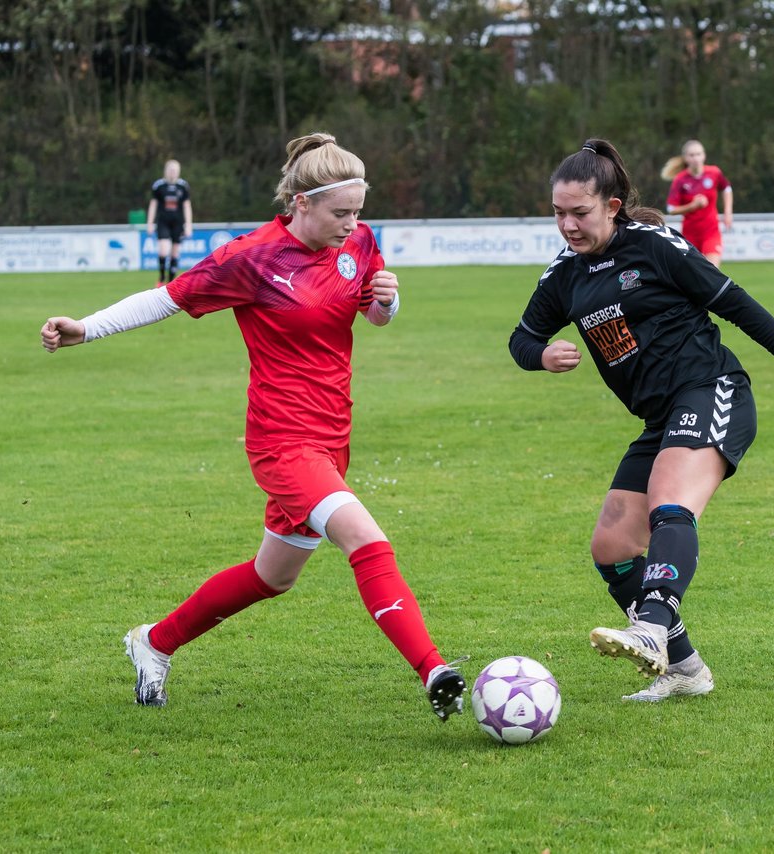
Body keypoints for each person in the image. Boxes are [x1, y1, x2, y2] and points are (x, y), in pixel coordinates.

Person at [42, 133, 466, 720]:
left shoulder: (360, 242)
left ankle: (154, 642)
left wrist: (388, 302)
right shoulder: (252, 258)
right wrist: (84, 328)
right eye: (340, 212)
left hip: (332, 435)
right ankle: (434, 670)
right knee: (366, 541)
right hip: (283, 442)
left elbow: (372, 316)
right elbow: (166, 299)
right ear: (301, 204)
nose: (353, 224)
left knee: (272, 577)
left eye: (358, 212)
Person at [509, 138, 774, 702]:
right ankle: (685, 668)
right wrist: (541, 356)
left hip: (713, 391)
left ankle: (652, 625)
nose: (567, 225)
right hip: (659, 419)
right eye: (558, 213)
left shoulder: (656, 245)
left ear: (612, 206)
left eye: (579, 213)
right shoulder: (565, 275)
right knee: (612, 547)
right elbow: (522, 338)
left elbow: (733, 302)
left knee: (670, 501)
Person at [662, 139, 733, 267]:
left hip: (711, 232)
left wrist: (728, 212)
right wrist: (692, 206)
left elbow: (727, 189)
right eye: (692, 155)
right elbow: (671, 209)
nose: (696, 158)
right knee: (693, 277)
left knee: (713, 272)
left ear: (704, 155)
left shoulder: (714, 172)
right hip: (690, 234)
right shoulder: (680, 180)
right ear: (685, 158)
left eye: (698, 154)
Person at [146, 160, 194, 285]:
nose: (173, 172)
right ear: (166, 171)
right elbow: (153, 204)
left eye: (175, 170)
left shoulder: (183, 186)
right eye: (170, 170)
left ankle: (171, 282)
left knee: (175, 252)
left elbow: (187, 206)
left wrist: (188, 225)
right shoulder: (159, 186)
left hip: (178, 223)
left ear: (178, 172)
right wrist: (150, 223)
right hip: (163, 222)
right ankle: (161, 278)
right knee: (163, 250)